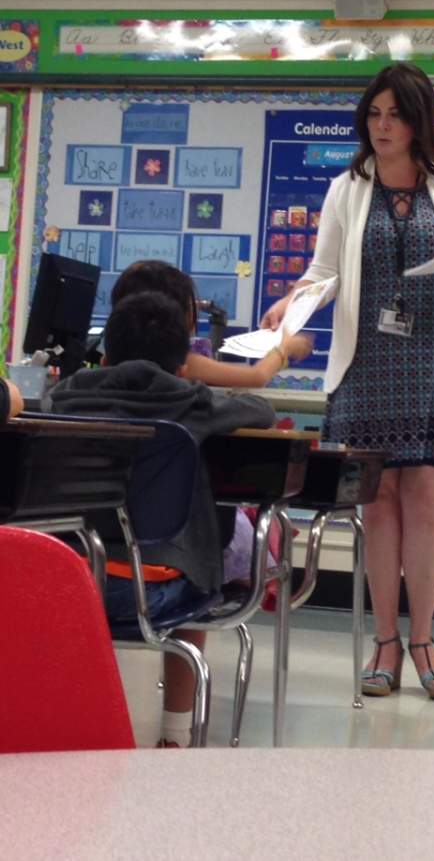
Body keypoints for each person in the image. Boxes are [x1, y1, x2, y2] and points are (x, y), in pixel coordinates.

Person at [260, 62, 434, 699]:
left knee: (427, 497)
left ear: (418, 119)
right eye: (373, 114)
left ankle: (424, 637)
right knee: (378, 503)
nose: (382, 126)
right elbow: (322, 271)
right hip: (367, 362)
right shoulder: (348, 187)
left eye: (395, 115)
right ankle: (385, 642)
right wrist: (290, 308)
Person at [48, 291, 276, 747]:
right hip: (158, 594)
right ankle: (175, 734)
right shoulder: (194, 403)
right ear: (182, 364)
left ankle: (64, 726)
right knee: (196, 561)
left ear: (106, 354)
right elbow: (262, 411)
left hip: (71, 588)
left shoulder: (64, 399)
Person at [108, 260, 309, 587]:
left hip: (88, 554)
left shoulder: (69, 395)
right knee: (233, 532)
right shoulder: (187, 392)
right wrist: (283, 350)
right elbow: (257, 384)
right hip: (171, 553)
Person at [111, 260, 313, 388]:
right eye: (192, 307)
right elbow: (256, 377)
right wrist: (284, 348)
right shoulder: (182, 361)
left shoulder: (112, 356)